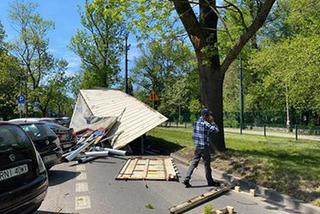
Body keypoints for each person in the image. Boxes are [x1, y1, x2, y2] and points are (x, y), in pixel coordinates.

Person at [183, 108, 220, 188]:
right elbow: (216, 130)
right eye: (208, 115)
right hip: (204, 147)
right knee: (207, 165)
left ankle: (187, 178)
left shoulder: (196, 122)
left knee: (194, 163)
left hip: (197, 147)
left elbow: (195, 134)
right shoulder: (205, 124)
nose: (209, 116)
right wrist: (213, 122)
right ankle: (210, 182)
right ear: (205, 116)